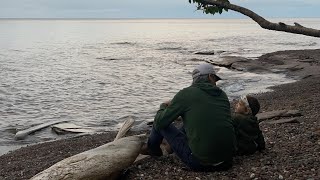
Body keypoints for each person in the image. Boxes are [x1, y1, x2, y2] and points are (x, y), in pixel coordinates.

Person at [141, 63, 236, 171]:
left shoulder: (186, 94)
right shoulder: (222, 95)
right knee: (193, 120)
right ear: (210, 77)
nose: (216, 83)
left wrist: (163, 105)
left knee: (160, 121)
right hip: (227, 161)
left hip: (200, 163)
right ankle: (170, 147)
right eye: (216, 80)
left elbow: (159, 122)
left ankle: (153, 150)